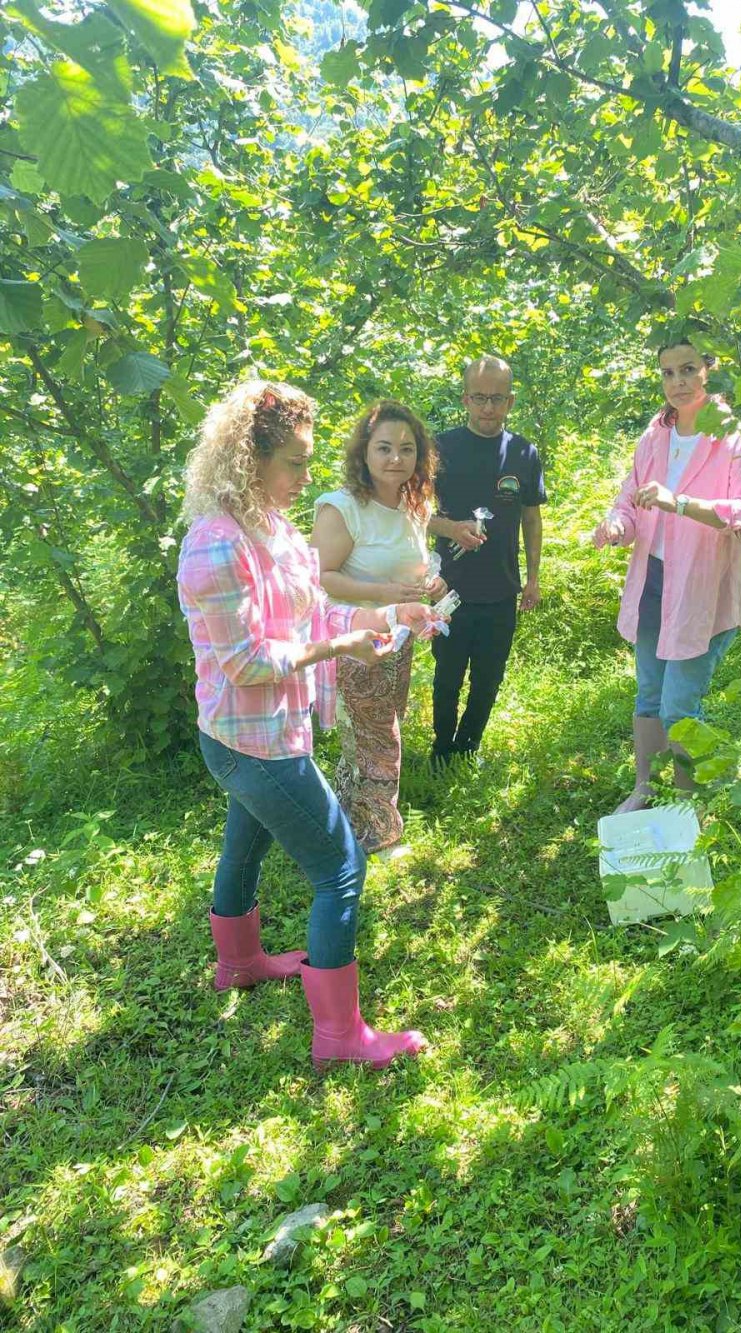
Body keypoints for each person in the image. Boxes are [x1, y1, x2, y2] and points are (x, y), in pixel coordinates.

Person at [177, 379, 439, 1070]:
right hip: (253, 742)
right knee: (340, 870)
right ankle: (341, 1037)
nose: (304, 476)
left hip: (263, 736)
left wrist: (381, 619)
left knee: (246, 846)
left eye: (306, 460)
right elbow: (247, 662)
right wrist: (339, 648)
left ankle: (239, 963)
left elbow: (310, 613)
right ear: (247, 458)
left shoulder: (274, 527)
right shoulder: (215, 546)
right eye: (293, 461)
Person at [592, 335, 741, 810]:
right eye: (668, 373)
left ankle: (689, 805)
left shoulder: (733, 439)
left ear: (709, 369)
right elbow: (629, 499)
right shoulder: (654, 438)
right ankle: (645, 789)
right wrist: (616, 524)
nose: (679, 382)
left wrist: (685, 504)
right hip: (653, 580)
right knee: (649, 694)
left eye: (688, 369)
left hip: (703, 589)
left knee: (679, 707)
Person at [311, 401, 443, 854]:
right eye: (384, 447)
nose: (395, 459)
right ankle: (376, 840)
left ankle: (342, 822)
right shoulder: (343, 508)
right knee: (378, 737)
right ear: (363, 453)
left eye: (407, 449)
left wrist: (430, 585)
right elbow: (319, 578)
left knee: (372, 736)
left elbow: (413, 569)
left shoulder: (415, 505)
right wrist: (389, 594)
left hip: (398, 640)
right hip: (355, 638)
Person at [427, 355, 546, 764]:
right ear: (465, 399)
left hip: (501, 588)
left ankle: (467, 748)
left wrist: (533, 578)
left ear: (510, 402)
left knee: (488, 679)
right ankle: (441, 747)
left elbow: (531, 517)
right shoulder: (438, 449)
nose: (488, 408)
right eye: (479, 398)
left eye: (497, 399)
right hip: (447, 588)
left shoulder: (524, 453)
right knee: (446, 677)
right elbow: (412, 514)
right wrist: (450, 528)